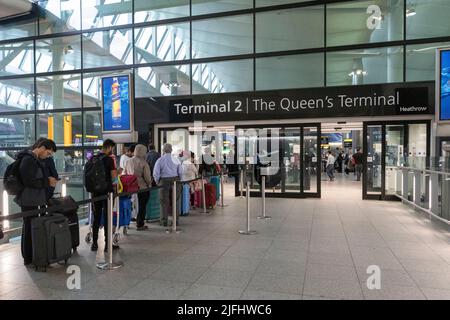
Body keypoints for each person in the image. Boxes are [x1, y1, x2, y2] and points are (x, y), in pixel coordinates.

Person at [14, 138, 57, 266]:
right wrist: (47, 182)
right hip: (28, 200)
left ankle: (34, 255)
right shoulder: (28, 159)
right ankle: (28, 258)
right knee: (28, 228)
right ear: (42, 148)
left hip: (36, 199)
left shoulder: (36, 159)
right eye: (48, 153)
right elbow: (28, 181)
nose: (48, 156)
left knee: (33, 227)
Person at [91, 139, 119, 252]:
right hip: (107, 192)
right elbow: (113, 177)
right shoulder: (109, 160)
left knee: (96, 217)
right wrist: (118, 173)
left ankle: (94, 244)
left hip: (95, 192)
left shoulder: (93, 158)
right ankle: (108, 245)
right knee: (108, 217)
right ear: (109, 147)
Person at [153, 143, 183, 227]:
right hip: (176, 180)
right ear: (171, 150)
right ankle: (175, 220)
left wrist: (157, 181)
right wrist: (179, 179)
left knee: (163, 202)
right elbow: (180, 172)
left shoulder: (160, 160)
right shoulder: (176, 159)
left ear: (163, 150)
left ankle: (164, 221)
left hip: (164, 181)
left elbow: (156, 173)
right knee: (175, 201)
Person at [124, 144, 152, 231]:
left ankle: (127, 223)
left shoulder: (128, 161)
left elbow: (125, 173)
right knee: (142, 206)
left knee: (130, 205)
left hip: (130, 188)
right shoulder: (143, 162)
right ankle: (140, 224)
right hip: (142, 188)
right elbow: (147, 177)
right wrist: (149, 183)